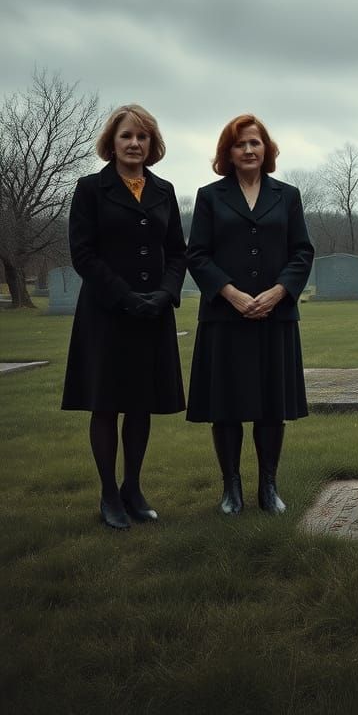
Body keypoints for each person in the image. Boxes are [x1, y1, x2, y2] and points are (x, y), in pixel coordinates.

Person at [62, 104, 186, 530]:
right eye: (126, 136)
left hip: (153, 314)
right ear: (111, 143)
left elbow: (177, 252)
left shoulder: (164, 190)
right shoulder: (90, 189)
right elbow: (83, 254)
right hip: (107, 313)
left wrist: (165, 294)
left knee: (141, 404)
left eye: (142, 137)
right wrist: (125, 297)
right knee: (106, 404)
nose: (135, 143)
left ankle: (132, 488)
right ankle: (109, 494)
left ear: (152, 144)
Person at [186, 115, 314, 515]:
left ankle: (268, 487)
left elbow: (302, 251)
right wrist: (232, 294)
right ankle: (232, 489)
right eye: (239, 144)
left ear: (266, 149)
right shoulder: (210, 197)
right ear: (228, 152)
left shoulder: (287, 196)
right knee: (226, 406)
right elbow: (197, 254)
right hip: (225, 318)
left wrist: (278, 292)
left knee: (271, 405)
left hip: (276, 316)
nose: (248, 150)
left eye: (254, 143)